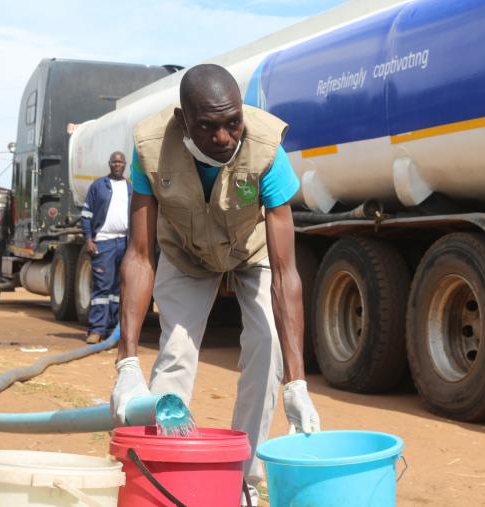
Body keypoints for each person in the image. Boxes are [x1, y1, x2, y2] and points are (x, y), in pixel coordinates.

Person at [111, 64, 320, 505]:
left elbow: (286, 271)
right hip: (185, 253)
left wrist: (297, 383)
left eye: (232, 123)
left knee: (268, 348)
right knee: (176, 353)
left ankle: (243, 478)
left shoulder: (266, 149)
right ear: (183, 120)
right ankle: (166, 477)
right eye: (208, 126)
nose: (224, 138)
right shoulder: (149, 149)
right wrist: (126, 363)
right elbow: (140, 255)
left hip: (251, 250)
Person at [80, 151, 132, 344]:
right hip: (103, 242)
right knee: (102, 287)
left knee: (118, 290)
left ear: (125, 165)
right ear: (109, 164)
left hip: (123, 243)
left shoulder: (130, 188)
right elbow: (86, 215)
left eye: (120, 162)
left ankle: (111, 331)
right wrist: (88, 239)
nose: (117, 164)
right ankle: (96, 330)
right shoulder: (98, 186)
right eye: (114, 161)